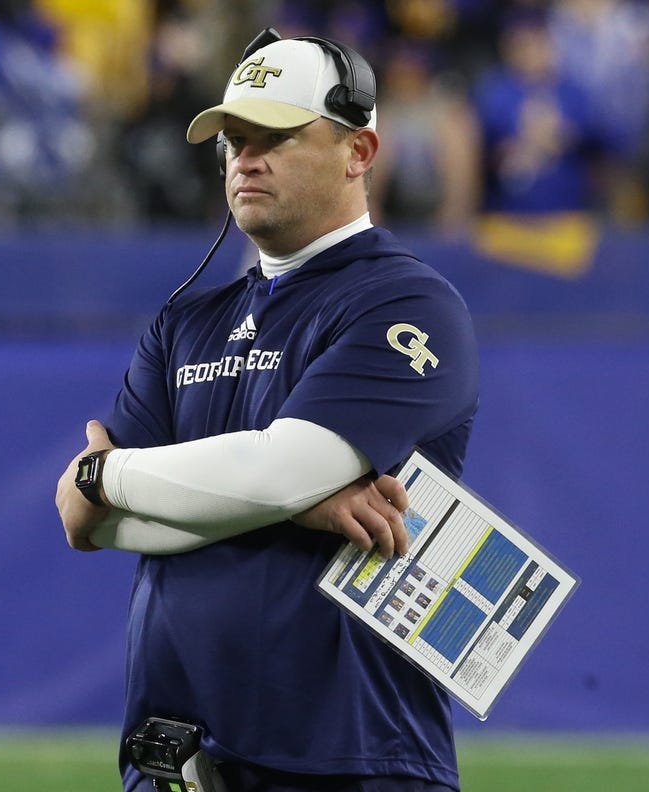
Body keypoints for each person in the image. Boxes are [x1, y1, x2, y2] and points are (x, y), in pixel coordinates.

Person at [55, 28, 479, 792]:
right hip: (178, 754)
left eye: (277, 136)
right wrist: (294, 506)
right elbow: (85, 520)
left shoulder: (408, 302)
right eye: (234, 139)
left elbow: (277, 470)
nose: (246, 157)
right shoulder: (183, 320)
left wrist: (108, 474)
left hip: (350, 754)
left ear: (360, 151)